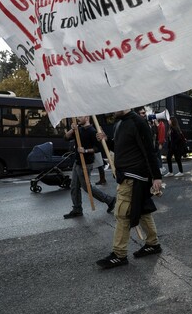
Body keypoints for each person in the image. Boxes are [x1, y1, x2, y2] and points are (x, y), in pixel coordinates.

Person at [95, 109, 163, 268]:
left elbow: (149, 151)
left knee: (122, 212)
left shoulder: (138, 122)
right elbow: (119, 147)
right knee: (143, 210)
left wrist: (156, 176)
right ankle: (153, 243)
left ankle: (119, 254)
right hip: (126, 175)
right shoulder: (120, 122)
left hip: (134, 177)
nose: (110, 109)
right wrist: (106, 140)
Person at [63, 116, 116, 219]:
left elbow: (97, 148)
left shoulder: (92, 131)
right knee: (74, 187)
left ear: (86, 118)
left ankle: (110, 200)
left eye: (80, 116)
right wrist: (72, 129)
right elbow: (65, 138)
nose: (78, 118)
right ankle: (77, 209)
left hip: (86, 163)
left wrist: (85, 151)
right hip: (77, 162)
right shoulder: (78, 129)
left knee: (87, 187)